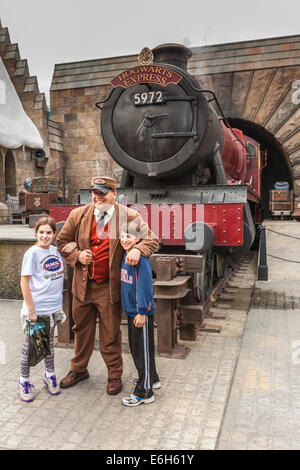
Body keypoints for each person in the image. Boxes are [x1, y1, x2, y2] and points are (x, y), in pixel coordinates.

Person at [56, 176, 159, 395]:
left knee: (110, 333)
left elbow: (152, 240)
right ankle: (78, 370)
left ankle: (114, 375)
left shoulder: (129, 216)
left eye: (103, 192)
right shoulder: (78, 215)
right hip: (83, 286)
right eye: (95, 191)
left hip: (109, 287)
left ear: (114, 193)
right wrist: (76, 255)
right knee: (81, 330)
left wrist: (137, 249)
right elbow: (61, 243)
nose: (97, 196)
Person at [19, 216, 65, 402]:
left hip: (52, 309)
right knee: (32, 345)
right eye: (41, 232)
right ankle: (23, 381)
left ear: (54, 234)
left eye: (49, 232)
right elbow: (24, 282)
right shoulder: (32, 254)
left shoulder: (55, 251)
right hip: (36, 310)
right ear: (36, 234)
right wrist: (31, 311)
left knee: (49, 344)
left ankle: (50, 375)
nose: (45, 236)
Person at [120, 221, 160, 406]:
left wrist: (142, 312)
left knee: (141, 351)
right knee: (140, 348)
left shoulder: (140, 259)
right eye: (122, 236)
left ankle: (145, 392)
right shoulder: (125, 256)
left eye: (128, 236)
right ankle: (152, 378)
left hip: (139, 312)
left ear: (137, 239)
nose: (124, 240)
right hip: (131, 311)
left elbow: (145, 287)